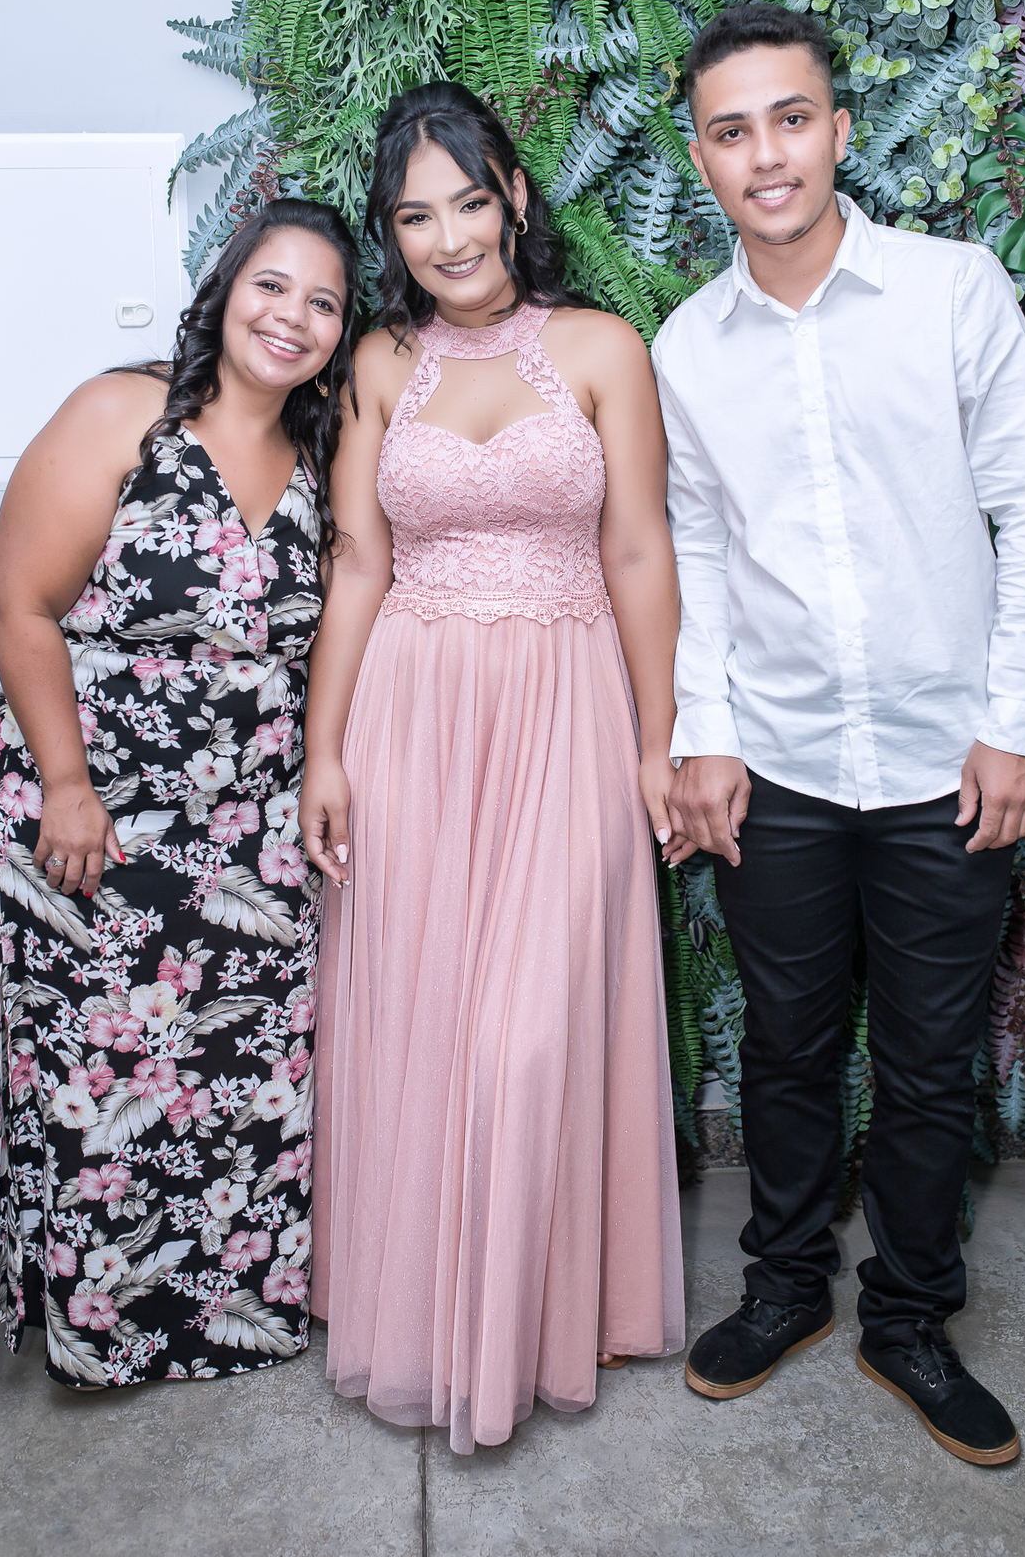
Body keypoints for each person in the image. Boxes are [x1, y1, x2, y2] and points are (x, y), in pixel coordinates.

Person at [653, 1, 1025, 1466]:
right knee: (783, 1047)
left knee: (927, 1056)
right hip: (774, 759)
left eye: (791, 118)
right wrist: (704, 733)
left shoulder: (951, 292)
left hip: (943, 762)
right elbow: (699, 551)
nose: (766, 154)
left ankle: (907, 1316)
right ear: (701, 160)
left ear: (839, 130)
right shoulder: (687, 347)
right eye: (731, 131)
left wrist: (1013, 726)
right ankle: (786, 1288)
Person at [301, 81, 686, 1454]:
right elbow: (359, 564)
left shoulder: (599, 347)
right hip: (412, 712)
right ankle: (421, 1314)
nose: (451, 238)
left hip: (566, 705)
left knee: (531, 1034)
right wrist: (323, 751)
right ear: (390, 234)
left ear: (515, 195)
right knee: (422, 1018)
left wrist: (659, 740)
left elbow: (637, 548)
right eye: (417, 217)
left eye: (470, 201)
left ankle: (532, 1320)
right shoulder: (377, 364)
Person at [0, 199, 358, 1388]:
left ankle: (228, 1321)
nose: (291, 317)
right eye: (271, 286)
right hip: (91, 809)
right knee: (104, 1083)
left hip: (247, 834)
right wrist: (66, 784)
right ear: (224, 289)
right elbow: (20, 602)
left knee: (238, 1081)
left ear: (342, 336)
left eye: (324, 303)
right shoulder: (124, 412)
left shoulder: (323, 460)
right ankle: (103, 1333)